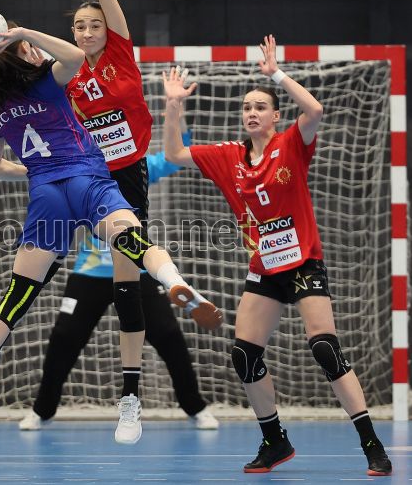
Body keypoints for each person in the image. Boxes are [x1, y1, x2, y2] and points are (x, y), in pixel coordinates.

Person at [0, 21, 222, 446]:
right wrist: (24, 31)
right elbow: (74, 55)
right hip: (85, 179)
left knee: (18, 295)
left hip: (45, 192)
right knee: (133, 241)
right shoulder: (46, 81)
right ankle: (176, 281)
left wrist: (36, 170)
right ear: (23, 51)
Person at [162, 35, 392, 476]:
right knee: (244, 355)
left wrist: (277, 74)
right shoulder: (228, 157)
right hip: (265, 268)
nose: (251, 112)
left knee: (324, 348)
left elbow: (316, 111)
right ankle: (274, 440)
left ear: (275, 116)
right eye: (247, 107)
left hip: (303, 263)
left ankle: (371, 443)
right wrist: (173, 105)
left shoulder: (291, 144)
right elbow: (173, 153)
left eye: (260, 106)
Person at [64, 0, 222, 440]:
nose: (87, 32)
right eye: (79, 26)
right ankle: (172, 281)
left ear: (109, 31)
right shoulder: (68, 75)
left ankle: (129, 399)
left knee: (126, 287)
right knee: (76, 269)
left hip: (128, 175)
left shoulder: (120, 53)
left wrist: (174, 105)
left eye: (95, 25)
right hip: (89, 178)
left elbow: (107, 0)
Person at [19, 150, 219, 432]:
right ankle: (42, 410)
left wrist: (177, 120)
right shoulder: (80, 172)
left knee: (168, 335)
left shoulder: (136, 164)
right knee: (64, 337)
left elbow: (175, 154)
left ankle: (196, 407)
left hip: (136, 269)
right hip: (91, 271)